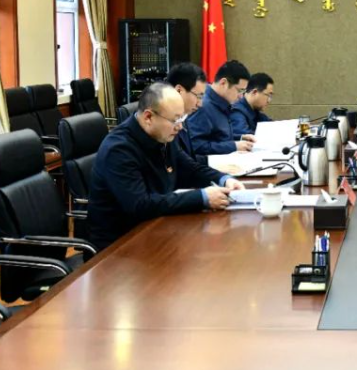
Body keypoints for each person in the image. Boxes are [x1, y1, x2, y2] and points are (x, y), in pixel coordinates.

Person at [87, 83, 245, 251]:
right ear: (148, 117)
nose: (180, 127)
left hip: (156, 228)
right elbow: (140, 205)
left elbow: (189, 168)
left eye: (182, 118)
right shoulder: (119, 149)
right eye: (175, 120)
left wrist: (223, 179)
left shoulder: (163, 134)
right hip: (119, 245)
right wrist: (202, 198)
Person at [185, 60, 254, 156]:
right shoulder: (203, 105)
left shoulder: (222, 102)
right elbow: (196, 146)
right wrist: (234, 146)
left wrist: (240, 138)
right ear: (223, 83)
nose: (241, 96)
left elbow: (217, 137)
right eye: (239, 91)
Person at [166, 62, 208, 163]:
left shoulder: (183, 116)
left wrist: (218, 161)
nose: (200, 104)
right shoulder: (164, 122)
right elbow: (180, 164)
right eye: (198, 96)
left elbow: (188, 158)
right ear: (179, 90)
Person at [231, 72, 273, 137]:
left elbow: (273, 127)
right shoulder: (236, 112)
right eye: (268, 95)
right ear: (254, 92)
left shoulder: (257, 112)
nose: (269, 100)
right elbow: (246, 137)